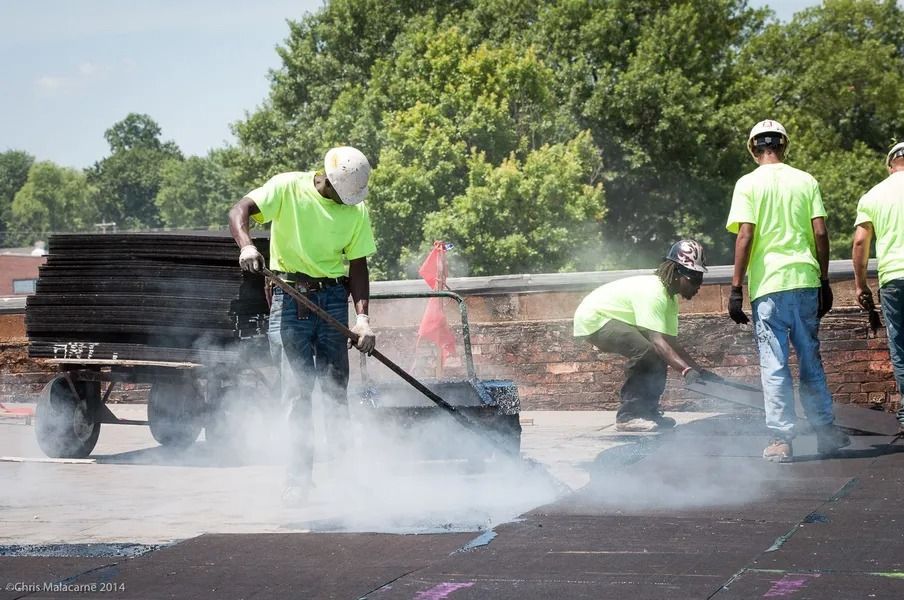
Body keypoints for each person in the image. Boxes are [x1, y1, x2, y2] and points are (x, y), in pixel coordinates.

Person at [229, 146, 377, 503]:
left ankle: (343, 478)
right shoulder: (287, 188)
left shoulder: (355, 210)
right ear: (327, 180)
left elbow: (358, 267)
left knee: (335, 392)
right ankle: (298, 482)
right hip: (289, 296)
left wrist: (363, 319)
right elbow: (240, 209)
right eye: (342, 195)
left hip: (331, 300)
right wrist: (247, 245)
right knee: (297, 394)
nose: (346, 202)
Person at [726, 119, 849, 462]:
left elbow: (745, 235)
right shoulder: (805, 181)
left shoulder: (747, 184)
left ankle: (781, 440)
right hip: (806, 282)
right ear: (783, 145)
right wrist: (823, 280)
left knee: (774, 363)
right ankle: (826, 432)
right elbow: (821, 234)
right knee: (811, 358)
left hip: (769, 287)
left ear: (753, 149)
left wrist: (736, 288)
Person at [573, 240, 711, 432]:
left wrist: (699, 371)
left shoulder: (669, 299)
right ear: (677, 273)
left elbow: (671, 345)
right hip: (594, 319)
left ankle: (648, 412)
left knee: (660, 354)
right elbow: (657, 341)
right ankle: (628, 416)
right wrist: (687, 372)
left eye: (701, 278)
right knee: (647, 351)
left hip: (611, 318)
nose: (698, 286)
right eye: (694, 279)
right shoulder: (654, 293)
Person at [852, 141, 904, 432]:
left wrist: (861, 286)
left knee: (900, 347)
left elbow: (860, 242)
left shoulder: (874, 195)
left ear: (889, 165)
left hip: (894, 277)